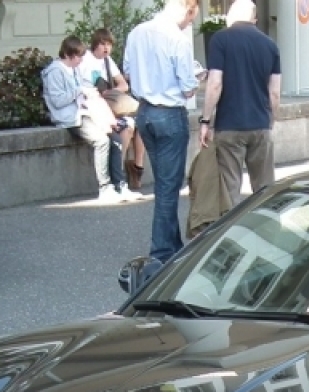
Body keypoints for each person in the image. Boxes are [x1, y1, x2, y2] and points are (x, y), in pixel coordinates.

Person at [124, 0, 200, 264]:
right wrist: (198, 79)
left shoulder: (137, 33)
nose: (190, 22)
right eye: (191, 17)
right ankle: (162, 253)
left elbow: (128, 74)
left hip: (144, 112)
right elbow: (188, 87)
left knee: (164, 183)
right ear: (186, 8)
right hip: (169, 113)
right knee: (169, 186)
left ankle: (172, 245)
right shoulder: (177, 39)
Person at [199, 0, 282, 211]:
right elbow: (274, 92)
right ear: (254, 19)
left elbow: (215, 83)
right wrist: (272, 119)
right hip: (260, 124)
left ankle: (232, 236)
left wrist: (205, 120)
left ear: (229, 16)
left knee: (230, 190)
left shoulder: (220, 40)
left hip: (229, 125)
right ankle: (266, 231)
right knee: (264, 190)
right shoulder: (270, 45)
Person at [41, 35, 122, 205]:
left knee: (114, 136)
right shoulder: (55, 71)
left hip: (84, 112)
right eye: (78, 56)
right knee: (101, 141)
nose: (81, 60)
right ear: (69, 55)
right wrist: (79, 91)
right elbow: (57, 101)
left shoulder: (74, 69)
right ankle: (105, 187)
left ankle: (118, 185)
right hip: (70, 117)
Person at [79, 29, 141, 199]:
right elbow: (84, 89)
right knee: (113, 134)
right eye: (102, 44)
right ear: (95, 45)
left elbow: (124, 85)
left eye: (109, 45)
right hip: (94, 107)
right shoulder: (86, 61)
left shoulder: (108, 61)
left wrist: (110, 92)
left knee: (130, 125)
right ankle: (115, 181)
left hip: (109, 104)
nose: (106, 48)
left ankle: (122, 177)